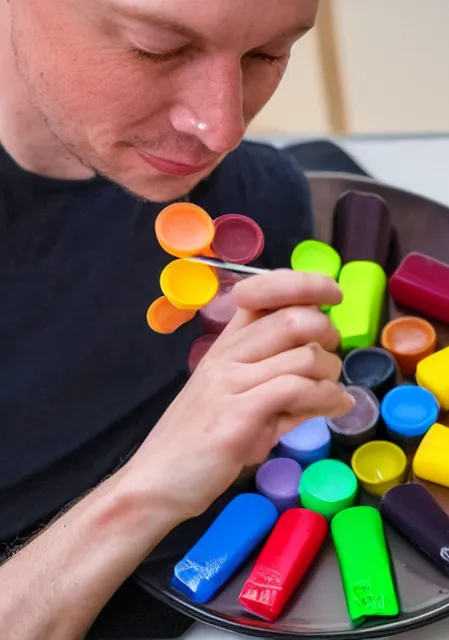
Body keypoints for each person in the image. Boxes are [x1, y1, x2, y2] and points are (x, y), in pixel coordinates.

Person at [0, 0, 354, 637]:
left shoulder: (264, 202)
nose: (222, 128)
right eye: (155, 48)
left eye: (268, 54)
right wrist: (144, 493)